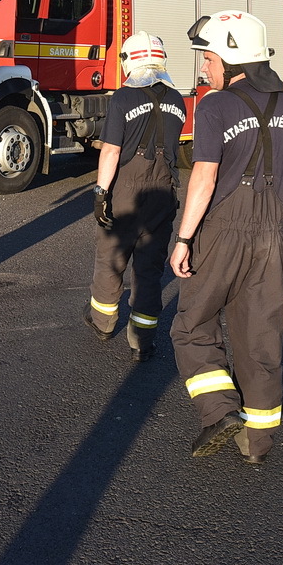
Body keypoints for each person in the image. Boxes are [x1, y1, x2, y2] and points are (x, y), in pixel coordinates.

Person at [169, 10, 283, 464]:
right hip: (274, 233)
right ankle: (257, 442)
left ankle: (219, 411)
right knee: (261, 338)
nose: (204, 67)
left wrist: (184, 237)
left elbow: (204, 178)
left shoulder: (214, 105)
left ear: (230, 62)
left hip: (224, 232)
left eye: (208, 57)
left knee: (192, 327)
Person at [85, 31, 187, 361]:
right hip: (163, 190)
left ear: (131, 60)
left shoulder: (123, 98)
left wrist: (101, 192)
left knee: (111, 259)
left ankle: (103, 322)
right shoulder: (178, 99)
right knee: (149, 268)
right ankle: (142, 340)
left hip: (126, 190)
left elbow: (111, 151)